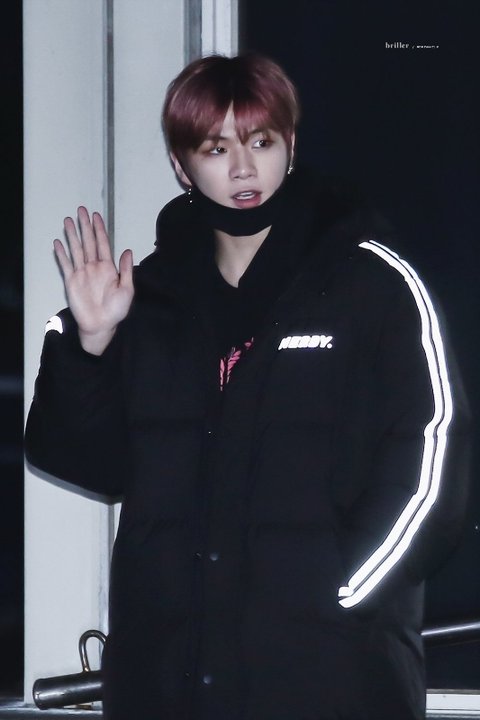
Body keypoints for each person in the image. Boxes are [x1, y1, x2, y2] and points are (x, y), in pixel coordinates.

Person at [25, 53, 470, 720]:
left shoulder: (372, 285)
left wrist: (343, 596)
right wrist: (92, 344)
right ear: (182, 166)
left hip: (332, 683)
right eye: (216, 148)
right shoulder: (146, 298)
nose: (242, 168)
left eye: (260, 142)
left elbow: (434, 462)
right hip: (167, 689)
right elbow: (90, 465)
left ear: (290, 146)